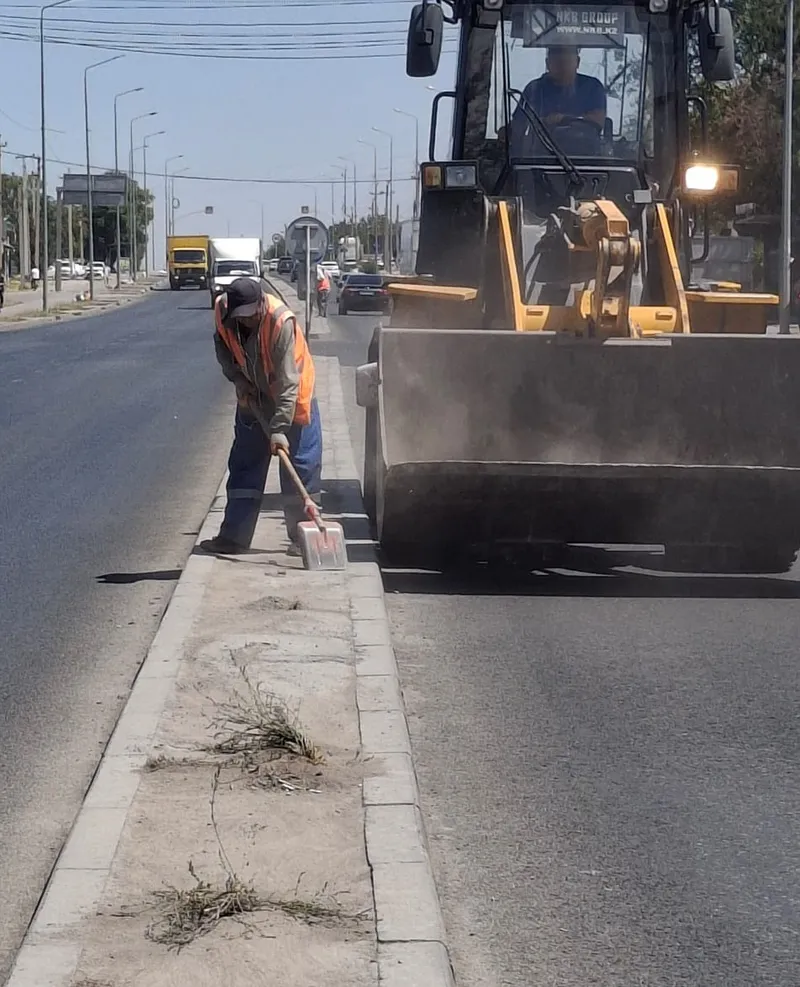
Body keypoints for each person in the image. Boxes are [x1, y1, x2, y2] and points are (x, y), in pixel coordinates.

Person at [200, 277, 323, 556]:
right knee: (244, 466)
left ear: (260, 306)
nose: (244, 321)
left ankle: (303, 538)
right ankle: (234, 537)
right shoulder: (223, 310)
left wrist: (279, 428)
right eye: (239, 316)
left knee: (299, 468)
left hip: (292, 398)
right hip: (254, 397)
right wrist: (238, 380)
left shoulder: (280, 322)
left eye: (249, 316)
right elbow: (222, 346)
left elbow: (289, 382)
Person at [509, 45, 607, 154]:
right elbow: (518, 126)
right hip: (539, 160)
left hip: (588, 162)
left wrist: (564, 119)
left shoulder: (592, 87)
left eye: (567, 62)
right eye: (558, 63)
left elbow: (598, 121)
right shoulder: (535, 89)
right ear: (547, 63)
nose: (563, 67)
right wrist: (507, 133)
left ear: (577, 62)